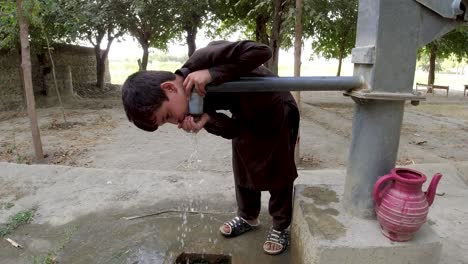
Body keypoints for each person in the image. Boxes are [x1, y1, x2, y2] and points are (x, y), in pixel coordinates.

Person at [121, 40, 299, 255]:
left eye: (167, 116)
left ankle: (280, 226)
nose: (175, 122)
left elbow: (262, 51)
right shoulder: (194, 104)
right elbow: (234, 130)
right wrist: (207, 120)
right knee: (242, 164)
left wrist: (213, 72)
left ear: (169, 88)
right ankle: (248, 217)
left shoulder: (203, 59)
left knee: (277, 168)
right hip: (245, 116)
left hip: (274, 107)